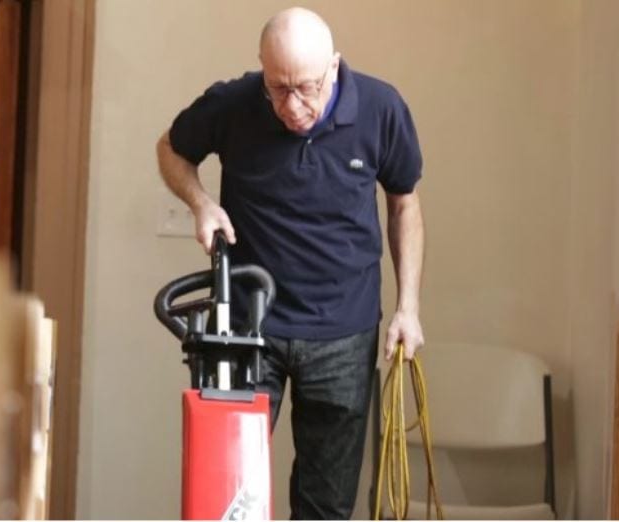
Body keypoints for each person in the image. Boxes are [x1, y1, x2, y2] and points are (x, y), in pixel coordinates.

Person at [156, 6, 425, 520]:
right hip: (248, 326)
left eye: (306, 87)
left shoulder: (380, 107)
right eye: (278, 88)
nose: (292, 104)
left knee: (324, 506)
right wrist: (201, 202)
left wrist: (408, 307)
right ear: (262, 68)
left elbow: (404, 203)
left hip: (344, 333)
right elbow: (172, 148)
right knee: (228, 498)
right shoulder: (235, 102)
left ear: (334, 67)